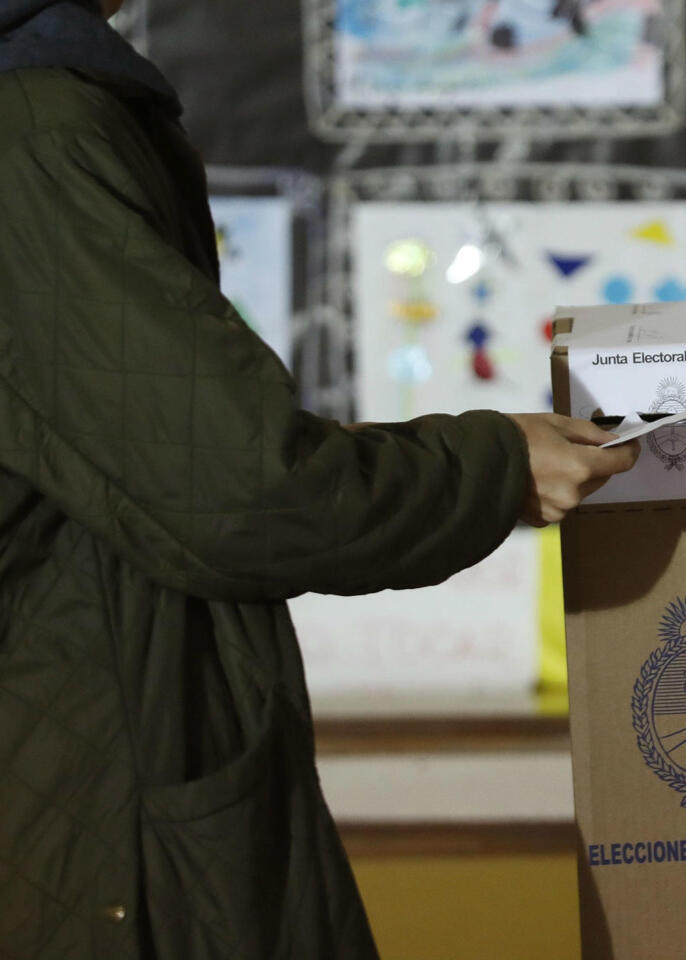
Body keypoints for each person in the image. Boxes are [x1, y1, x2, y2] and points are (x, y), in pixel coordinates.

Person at [0, 1, 637, 957]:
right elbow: (243, 491)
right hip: (97, 810)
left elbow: (143, 449)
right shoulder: (36, 130)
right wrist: (496, 468)